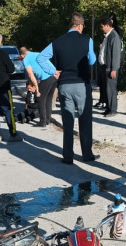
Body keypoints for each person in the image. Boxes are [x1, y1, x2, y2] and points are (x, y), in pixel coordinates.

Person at [38, 12, 99, 165]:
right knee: (85, 120)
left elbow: (41, 58)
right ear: (80, 25)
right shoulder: (87, 40)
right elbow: (92, 60)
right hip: (81, 85)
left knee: (68, 121)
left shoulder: (57, 42)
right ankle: (87, 154)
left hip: (64, 85)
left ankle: (68, 156)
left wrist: (53, 71)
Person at [20, 46, 57, 127]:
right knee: (48, 99)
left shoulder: (25, 60)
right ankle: (48, 119)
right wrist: (55, 73)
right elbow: (48, 63)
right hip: (53, 77)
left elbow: (30, 74)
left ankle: (43, 122)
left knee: (41, 99)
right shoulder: (37, 54)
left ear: (22, 54)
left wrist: (36, 87)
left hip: (45, 78)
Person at [98, 15, 122, 118]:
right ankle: (108, 108)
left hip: (110, 68)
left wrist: (114, 69)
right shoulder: (108, 36)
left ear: (107, 25)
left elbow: (116, 54)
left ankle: (113, 109)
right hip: (105, 66)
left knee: (111, 89)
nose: (101, 28)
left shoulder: (114, 36)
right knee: (106, 89)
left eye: (102, 26)